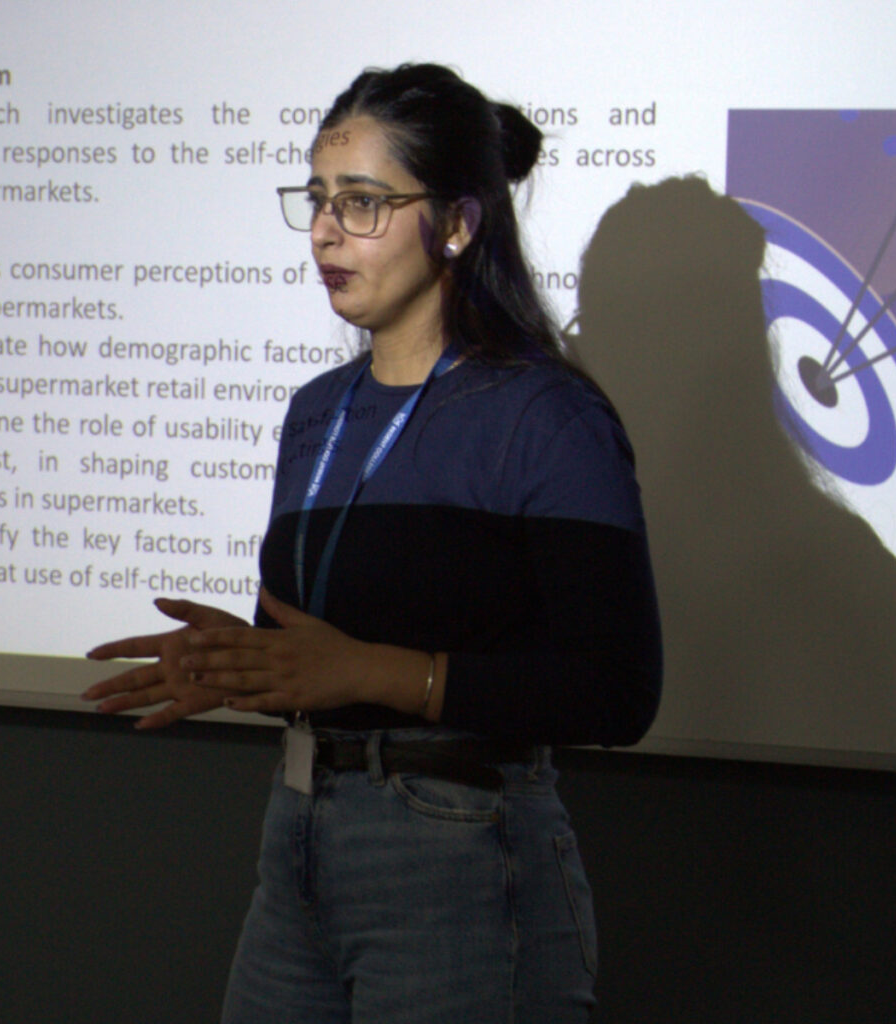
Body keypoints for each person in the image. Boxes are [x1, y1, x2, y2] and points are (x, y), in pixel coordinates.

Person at [83, 63, 662, 1023]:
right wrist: (250, 665)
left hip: (461, 848)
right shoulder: (317, 412)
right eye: (316, 201)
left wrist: (372, 670)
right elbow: (330, 654)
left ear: (460, 225)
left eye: (360, 203)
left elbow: (616, 688)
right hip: (301, 835)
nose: (322, 232)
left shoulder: (545, 415)